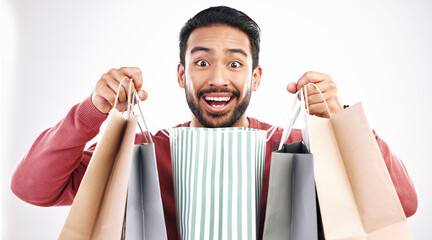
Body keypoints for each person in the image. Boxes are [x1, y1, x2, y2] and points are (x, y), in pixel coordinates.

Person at [11, 6, 417, 240]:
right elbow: (33, 189)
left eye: (235, 63)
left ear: (255, 77)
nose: (218, 79)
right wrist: (93, 111)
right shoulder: (142, 155)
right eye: (201, 62)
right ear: (181, 75)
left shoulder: (297, 151)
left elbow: (401, 204)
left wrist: (343, 122)